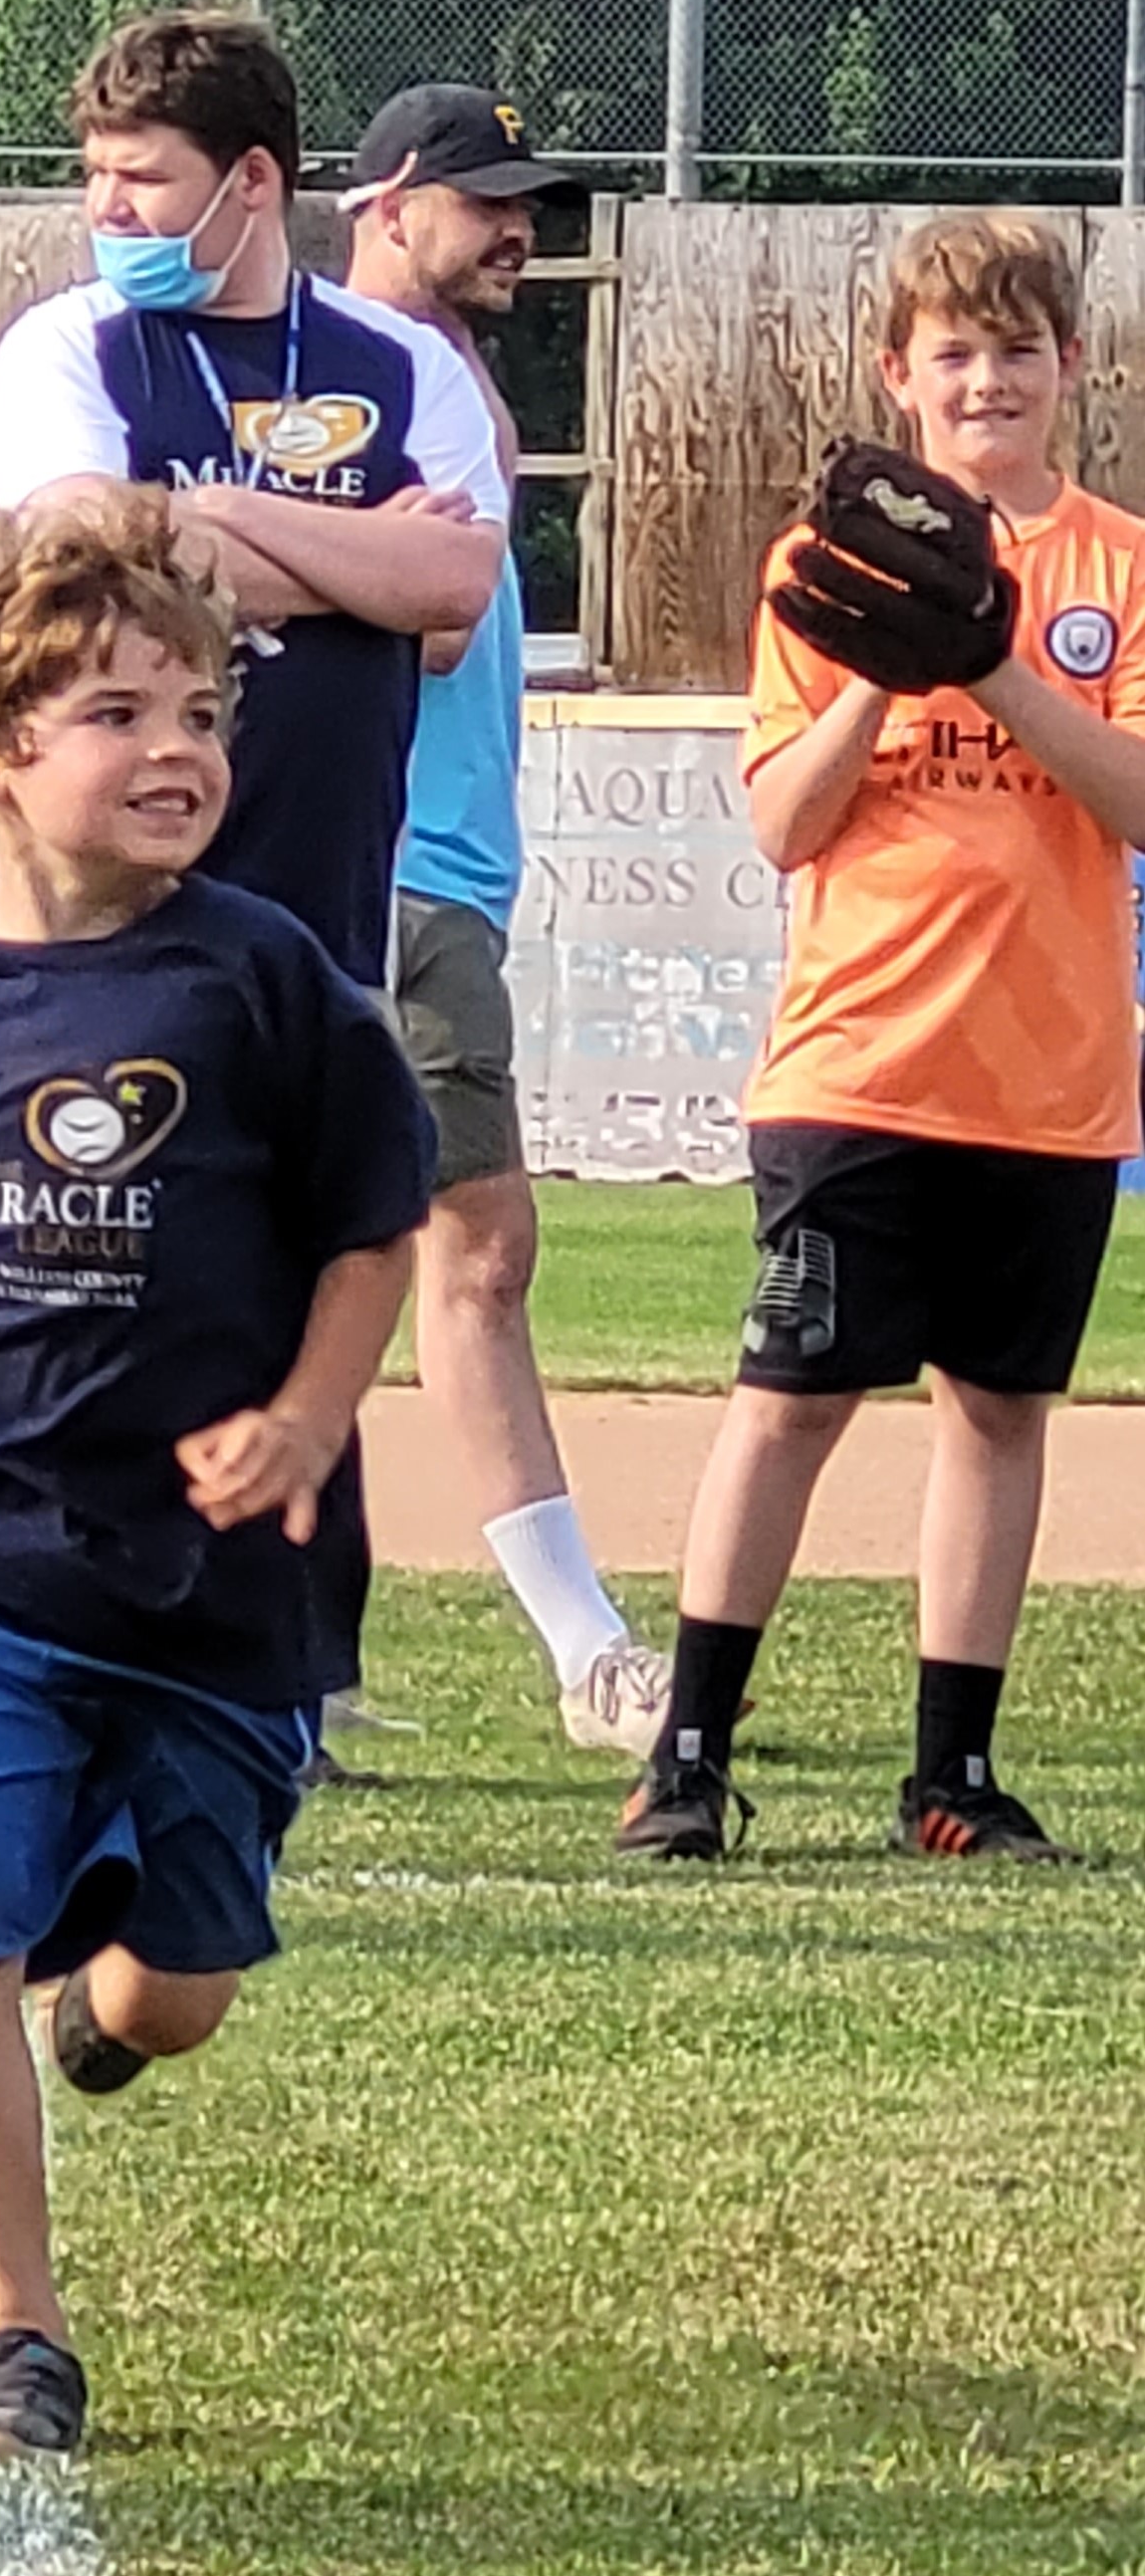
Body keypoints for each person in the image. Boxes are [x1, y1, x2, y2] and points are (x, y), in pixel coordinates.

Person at [0, 494, 434, 2459]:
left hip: (213, 1572)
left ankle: (108, 2005)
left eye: (199, 706)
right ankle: (15, 2340)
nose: (181, 745)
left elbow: (373, 1223)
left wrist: (304, 1415)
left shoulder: (269, 979)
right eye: (118, 710)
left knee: (183, 1983)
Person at [0, 10, 505, 1773]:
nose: (108, 208)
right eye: (99, 176)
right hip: (105, 917)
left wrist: (211, 515)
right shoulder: (69, 342)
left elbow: (449, 583)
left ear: (254, 183)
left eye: (146, 181)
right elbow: (87, 549)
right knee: (108, 1256)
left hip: (316, 905)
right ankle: (90, 1631)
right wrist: (315, 547)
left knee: (311, 1272)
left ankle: (297, 1659)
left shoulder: (391, 352)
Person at [616, 209, 1145, 1863]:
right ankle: (687, 1757)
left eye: (1014, 349)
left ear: (1069, 365)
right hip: (858, 1058)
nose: (982, 379)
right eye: (950, 355)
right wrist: (874, 663)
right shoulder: (812, 565)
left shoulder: (1118, 570)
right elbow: (783, 822)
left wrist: (989, 658)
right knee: (789, 1396)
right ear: (894, 378)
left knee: (996, 1410)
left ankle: (951, 1775)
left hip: (1048, 1077)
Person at [343, 83, 672, 1760]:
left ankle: (296, 1658)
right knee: (474, 1250)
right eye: (481, 204)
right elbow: (421, 629)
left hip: (433, 868)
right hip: (391, 871)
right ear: (382, 201)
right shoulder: (359, 373)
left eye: (524, 207)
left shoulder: (431, 377)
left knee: (362, 1252)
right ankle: (587, 1652)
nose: (513, 234)